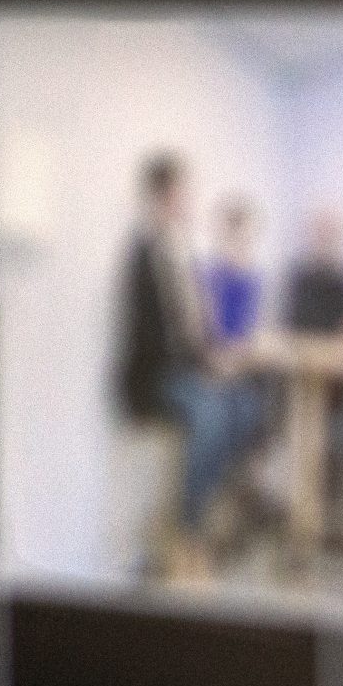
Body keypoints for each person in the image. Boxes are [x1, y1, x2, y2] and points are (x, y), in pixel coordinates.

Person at [111, 154, 268, 579]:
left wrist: (215, 362)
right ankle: (185, 529)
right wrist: (203, 367)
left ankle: (199, 511)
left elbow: (197, 329)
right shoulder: (143, 254)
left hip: (185, 370)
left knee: (249, 407)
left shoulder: (183, 253)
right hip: (154, 378)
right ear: (161, 197)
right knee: (214, 414)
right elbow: (151, 339)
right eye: (183, 193)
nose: (189, 200)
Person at [283, 210, 343, 333]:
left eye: (330, 231)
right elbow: (290, 318)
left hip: (336, 344)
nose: (324, 236)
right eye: (320, 231)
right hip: (302, 341)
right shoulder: (300, 274)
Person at [201, 197, 265, 345]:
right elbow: (209, 333)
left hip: (243, 354)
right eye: (239, 240)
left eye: (249, 241)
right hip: (212, 355)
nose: (245, 249)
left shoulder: (253, 279)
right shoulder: (210, 277)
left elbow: (250, 331)